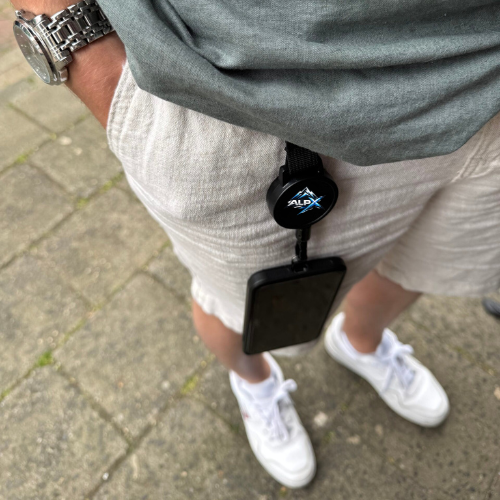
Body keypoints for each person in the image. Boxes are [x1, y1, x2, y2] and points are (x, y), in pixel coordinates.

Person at [12, 0, 500, 489]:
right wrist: (92, 64)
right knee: (237, 309)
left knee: (421, 267)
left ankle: (362, 342)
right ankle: (255, 383)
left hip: (484, 82)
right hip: (237, 106)